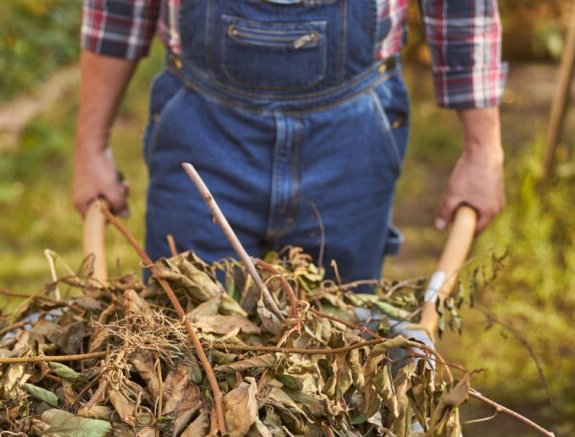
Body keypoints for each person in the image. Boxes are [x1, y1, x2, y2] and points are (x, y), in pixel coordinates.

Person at [73, 0, 506, 283]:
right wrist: (91, 144)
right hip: (202, 130)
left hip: (349, 136)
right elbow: (118, 10)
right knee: (183, 353)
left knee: (340, 358)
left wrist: (482, 150)